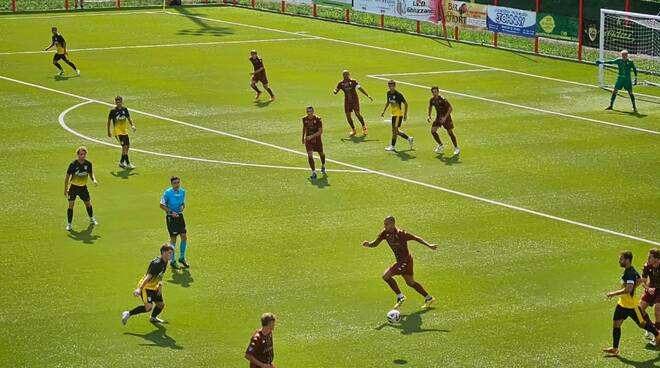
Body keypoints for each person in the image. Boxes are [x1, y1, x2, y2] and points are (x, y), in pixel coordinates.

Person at [362, 216, 437, 309]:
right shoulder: (384, 233)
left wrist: (429, 245)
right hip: (404, 261)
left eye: (386, 224)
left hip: (405, 261)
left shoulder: (401, 233)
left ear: (392, 224)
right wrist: (369, 244)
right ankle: (429, 298)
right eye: (384, 224)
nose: (384, 226)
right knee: (410, 282)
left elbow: (416, 238)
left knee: (386, 276)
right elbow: (376, 243)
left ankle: (400, 297)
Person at [603, 251, 660, 356]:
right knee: (616, 325)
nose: (619, 261)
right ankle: (615, 349)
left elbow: (628, 289)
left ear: (627, 260)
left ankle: (657, 334)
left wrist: (613, 293)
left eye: (621, 259)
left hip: (632, 306)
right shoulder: (629, 271)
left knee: (642, 324)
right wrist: (634, 286)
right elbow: (639, 280)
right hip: (622, 304)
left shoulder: (630, 273)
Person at [121, 244, 173, 325]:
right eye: (169, 253)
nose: (171, 255)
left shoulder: (165, 261)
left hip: (154, 287)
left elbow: (160, 275)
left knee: (160, 305)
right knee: (148, 307)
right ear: (163, 253)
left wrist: (159, 286)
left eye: (171, 253)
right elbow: (148, 276)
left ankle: (153, 318)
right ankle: (128, 313)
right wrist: (139, 289)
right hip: (146, 287)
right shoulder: (157, 263)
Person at [64, 146, 98, 231]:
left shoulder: (88, 164)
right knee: (71, 205)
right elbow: (67, 177)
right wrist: (65, 189)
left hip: (83, 188)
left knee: (88, 204)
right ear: (78, 155)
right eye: (81, 154)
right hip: (73, 188)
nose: (82, 156)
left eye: (84, 154)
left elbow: (91, 174)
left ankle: (91, 219)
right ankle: (69, 224)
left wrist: (94, 180)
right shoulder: (73, 164)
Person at [160, 176, 188, 269]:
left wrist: (182, 207)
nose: (177, 184)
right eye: (175, 183)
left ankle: (182, 257)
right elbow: (161, 205)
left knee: (184, 236)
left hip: (180, 217)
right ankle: (172, 260)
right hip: (171, 218)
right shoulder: (167, 193)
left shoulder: (182, 192)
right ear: (171, 184)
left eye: (178, 182)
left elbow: (182, 203)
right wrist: (171, 212)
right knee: (173, 239)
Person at [333, 70, 372, 136]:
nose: (345, 76)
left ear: (349, 74)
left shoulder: (353, 81)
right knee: (348, 116)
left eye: (346, 74)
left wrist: (367, 95)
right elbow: (337, 89)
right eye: (344, 74)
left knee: (357, 114)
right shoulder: (341, 83)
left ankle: (364, 127)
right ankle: (353, 130)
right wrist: (335, 91)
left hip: (354, 100)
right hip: (347, 101)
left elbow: (360, 88)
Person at [381, 80, 412, 152]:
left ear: (395, 86)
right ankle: (409, 138)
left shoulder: (398, 95)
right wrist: (384, 111)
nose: (391, 87)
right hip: (393, 115)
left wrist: (405, 115)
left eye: (392, 86)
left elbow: (406, 104)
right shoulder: (388, 93)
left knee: (394, 131)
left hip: (398, 115)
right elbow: (388, 102)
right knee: (395, 131)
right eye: (390, 86)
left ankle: (392, 146)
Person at [427, 86, 459, 156]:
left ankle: (456, 148)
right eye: (433, 92)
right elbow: (430, 107)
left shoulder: (443, 99)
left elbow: (450, 108)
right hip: (438, 117)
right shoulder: (432, 100)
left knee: (450, 132)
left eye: (436, 92)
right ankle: (440, 145)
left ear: (438, 92)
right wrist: (429, 115)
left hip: (446, 118)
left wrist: (445, 117)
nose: (434, 93)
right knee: (433, 131)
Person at [107, 96, 137, 169]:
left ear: (122, 101)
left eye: (119, 102)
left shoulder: (125, 109)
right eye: (117, 102)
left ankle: (121, 162)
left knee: (127, 147)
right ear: (115, 102)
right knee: (124, 147)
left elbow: (128, 118)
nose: (118, 103)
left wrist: (132, 125)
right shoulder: (113, 111)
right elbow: (108, 121)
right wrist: (108, 131)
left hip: (124, 131)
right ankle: (128, 163)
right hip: (117, 132)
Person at [640, 249, 660, 340]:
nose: (647, 258)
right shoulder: (647, 266)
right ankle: (651, 328)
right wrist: (648, 288)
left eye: (650, 257)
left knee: (657, 309)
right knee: (640, 309)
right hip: (651, 288)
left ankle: (658, 333)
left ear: (656, 259)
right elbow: (643, 282)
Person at [302, 106, 326, 180]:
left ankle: (323, 165)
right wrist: (303, 137)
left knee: (321, 153)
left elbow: (320, 131)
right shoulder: (304, 119)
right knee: (310, 154)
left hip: (317, 140)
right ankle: (314, 172)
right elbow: (304, 128)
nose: (309, 113)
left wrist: (311, 136)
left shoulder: (318, 119)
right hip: (308, 140)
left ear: (313, 112)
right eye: (308, 112)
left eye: (310, 111)